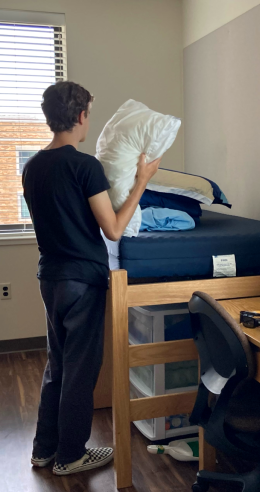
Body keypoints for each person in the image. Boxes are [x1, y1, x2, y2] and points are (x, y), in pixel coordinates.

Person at [22, 81, 161, 476]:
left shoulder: (32, 167)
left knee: (58, 367)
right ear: (81, 116)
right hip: (82, 280)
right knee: (80, 371)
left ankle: (43, 450)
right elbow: (114, 229)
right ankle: (71, 456)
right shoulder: (84, 166)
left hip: (50, 277)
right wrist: (142, 180)